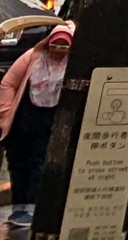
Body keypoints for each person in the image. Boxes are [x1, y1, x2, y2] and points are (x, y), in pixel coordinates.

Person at [0, 22, 72, 229]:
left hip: (48, 120)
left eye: (63, 46)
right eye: (55, 45)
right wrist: (5, 114)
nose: (58, 50)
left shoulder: (72, 63)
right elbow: (8, 83)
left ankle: (32, 207)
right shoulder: (33, 57)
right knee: (17, 163)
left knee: (38, 162)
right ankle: (19, 207)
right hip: (23, 118)